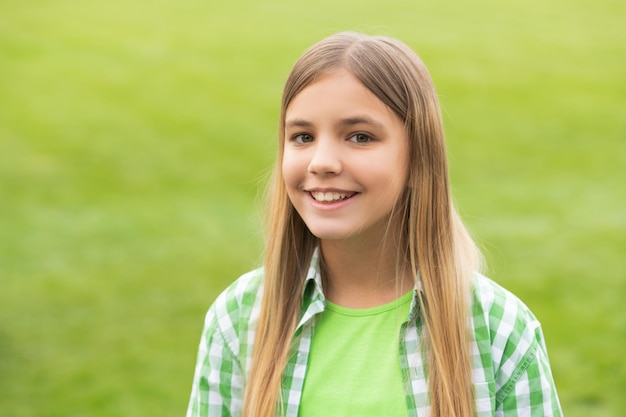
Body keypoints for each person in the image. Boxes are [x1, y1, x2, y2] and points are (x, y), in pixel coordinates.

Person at [186, 32, 563, 417]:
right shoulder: (240, 318)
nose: (322, 162)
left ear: (419, 158)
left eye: (360, 136)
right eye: (302, 137)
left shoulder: (497, 329)